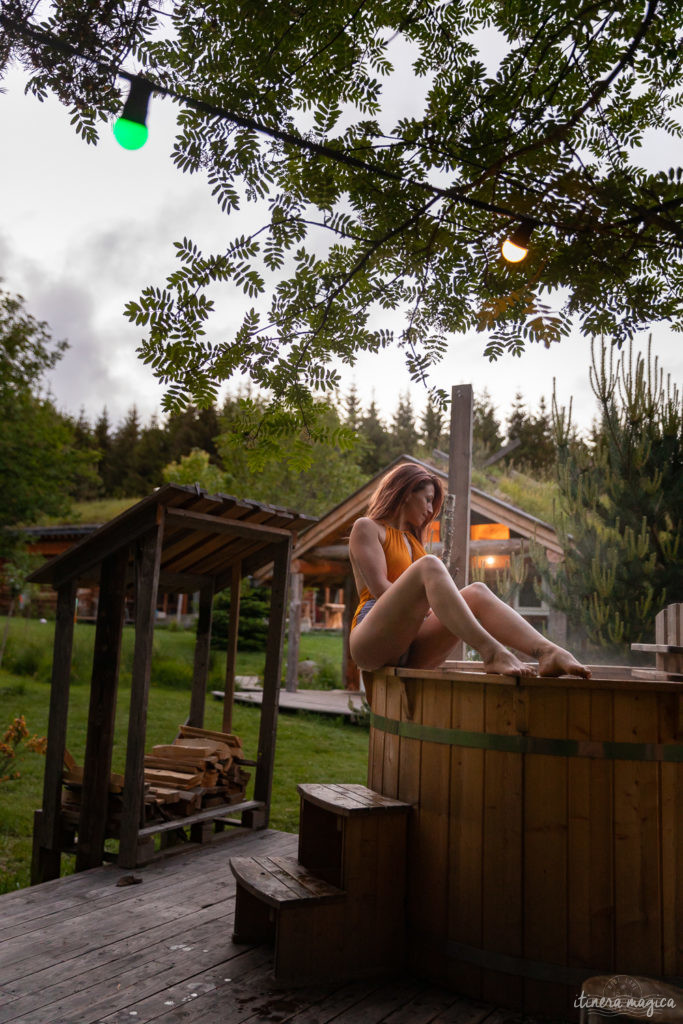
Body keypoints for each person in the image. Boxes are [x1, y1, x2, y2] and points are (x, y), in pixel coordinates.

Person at [349, 463, 591, 679]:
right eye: (427, 499)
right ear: (405, 494)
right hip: (372, 638)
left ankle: (547, 652)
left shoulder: (413, 542)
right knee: (430, 565)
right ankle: (492, 652)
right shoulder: (368, 528)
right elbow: (381, 589)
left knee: (477, 591)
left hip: (411, 642)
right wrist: (431, 605)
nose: (431, 508)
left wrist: (438, 605)